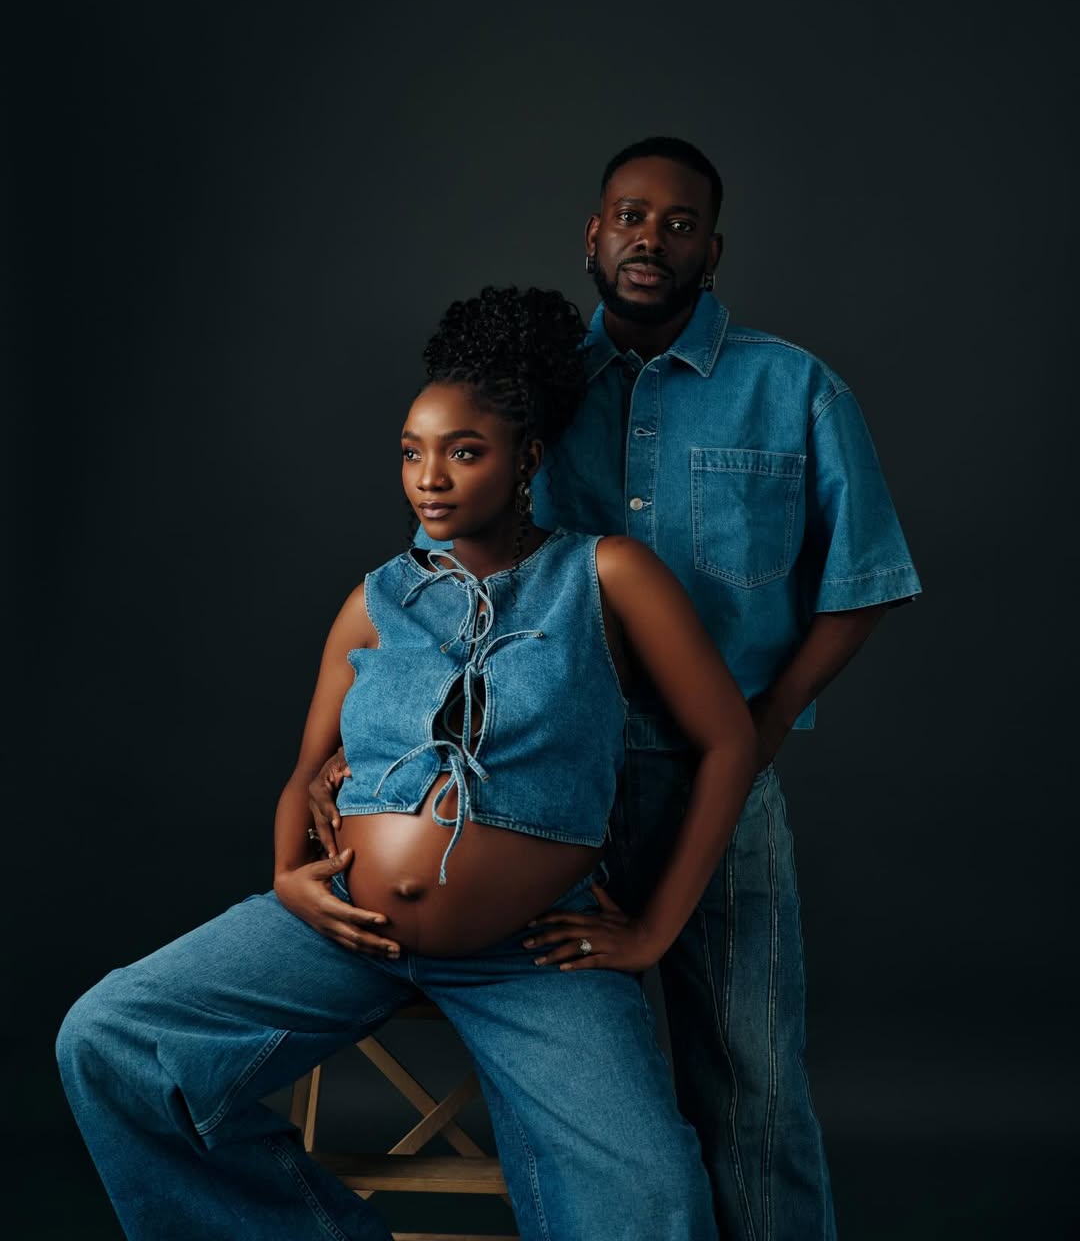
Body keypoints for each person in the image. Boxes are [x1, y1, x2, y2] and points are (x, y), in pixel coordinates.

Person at [57, 285, 761, 1241]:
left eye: (463, 451)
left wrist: (652, 932)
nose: (429, 477)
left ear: (528, 460)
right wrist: (285, 880)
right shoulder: (373, 601)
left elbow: (730, 741)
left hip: (531, 956)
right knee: (109, 1040)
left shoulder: (605, 577)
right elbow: (306, 772)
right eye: (411, 452)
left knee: (655, 1198)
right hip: (343, 932)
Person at [321, 138, 920, 1240]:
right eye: (630, 217)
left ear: (714, 249)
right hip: (542, 778)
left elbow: (865, 580)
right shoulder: (535, 393)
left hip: (718, 774)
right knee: (573, 1061)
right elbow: (437, 576)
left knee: (754, 1081)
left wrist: (767, 721)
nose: (652, 238)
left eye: (679, 223)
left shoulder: (792, 391)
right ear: (593, 237)